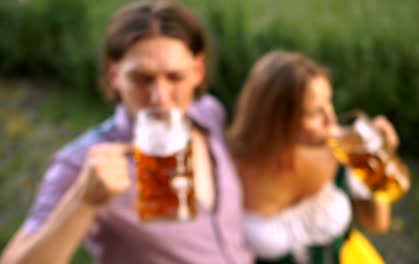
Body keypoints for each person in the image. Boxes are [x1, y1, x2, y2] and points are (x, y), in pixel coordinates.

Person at [0, 1, 253, 263]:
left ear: (198, 71)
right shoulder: (81, 163)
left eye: (175, 77)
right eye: (142, 79)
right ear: (114, 76)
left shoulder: (208, 113)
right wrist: (83, 201)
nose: (160, 98)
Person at [228, 51, 399, 264]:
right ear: (277, 118)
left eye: (329, 102)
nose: (331, 118)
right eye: (315, 113)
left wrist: (381, 159)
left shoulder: (343, 149)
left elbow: (376, 223)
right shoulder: (228, 163)